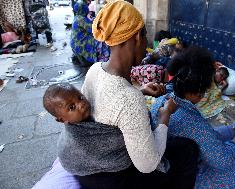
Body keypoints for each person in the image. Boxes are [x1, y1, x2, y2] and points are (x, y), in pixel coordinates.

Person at [33, 1, 199, 189]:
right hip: (110, 179)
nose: (146, 45)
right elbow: (147, 165)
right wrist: (165, 117)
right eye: (145, 38)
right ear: (137, 37)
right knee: (187, 150)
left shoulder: (95, 70)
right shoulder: (128, 99)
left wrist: (141, 90)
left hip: (88, 166)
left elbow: (107, 104)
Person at [151, 46, 235, 188]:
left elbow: (202, 135)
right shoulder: (194, 124)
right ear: (197, 93)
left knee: (229, 130)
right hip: (184, 175)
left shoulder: (161, 100)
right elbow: (223, 162)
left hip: (170, 160)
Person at [70, 0, 110, 70]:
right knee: (101, 41)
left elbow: (90, 24)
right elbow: (93, 29)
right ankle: (103, 59)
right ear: (84, 8)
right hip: (80, 44)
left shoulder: (78, 17)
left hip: (76, 43)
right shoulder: (81, 19)